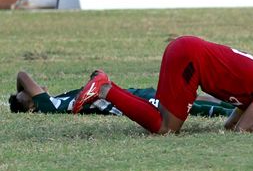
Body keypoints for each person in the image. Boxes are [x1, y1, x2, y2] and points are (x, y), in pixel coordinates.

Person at [72, 36, 253, 134]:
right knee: (166, 129)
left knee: (163, 121)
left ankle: (106, 87)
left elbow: (232, 126)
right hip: (190, 59)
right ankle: (104, 89)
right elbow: (244, 130)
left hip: (187, 51)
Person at [9, 70, 234, 118]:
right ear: (32, 106)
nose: (39, 88)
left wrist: (19, 97)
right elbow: (22, 75)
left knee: (182, 99)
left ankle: (233, 105)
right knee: (180, 105)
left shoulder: (52, 102)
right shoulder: (47, 105)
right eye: (32, 95)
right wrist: (22, 94)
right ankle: (233, 109)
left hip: (121, 94)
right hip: (116, 102)